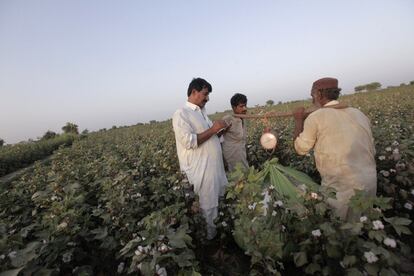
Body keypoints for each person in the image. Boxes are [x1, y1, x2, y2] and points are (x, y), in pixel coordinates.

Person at [293, 77, 377, 220]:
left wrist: (298, 120)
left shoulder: (316, 117)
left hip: (341, 187)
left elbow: (301, 149)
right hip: (370, 182)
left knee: (340, 233)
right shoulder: (359, 114)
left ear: (319, 94)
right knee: (363, 226)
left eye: (312, 94)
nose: (312, 99)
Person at [172, 78, 230, 239]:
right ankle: (209, 243)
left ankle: (220, 236)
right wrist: (213, 129)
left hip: (214, 169)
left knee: (218, 202)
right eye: (205, 94)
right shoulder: (181, 114)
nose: (207, 98)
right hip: (200, 171)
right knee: (207, 207)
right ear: (193, 92)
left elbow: (211, 137)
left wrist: (221, 131)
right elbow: (189, 141)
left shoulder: (202, 114)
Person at [222, 93, 249, 171]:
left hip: (241, 151)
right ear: (234, 107)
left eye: (245, 105)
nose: (244, 108)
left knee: (245, 173)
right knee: (238, 175)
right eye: (241, 106)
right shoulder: (228, 119)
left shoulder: (242, 118)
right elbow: (217, 135)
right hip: (232, 154)